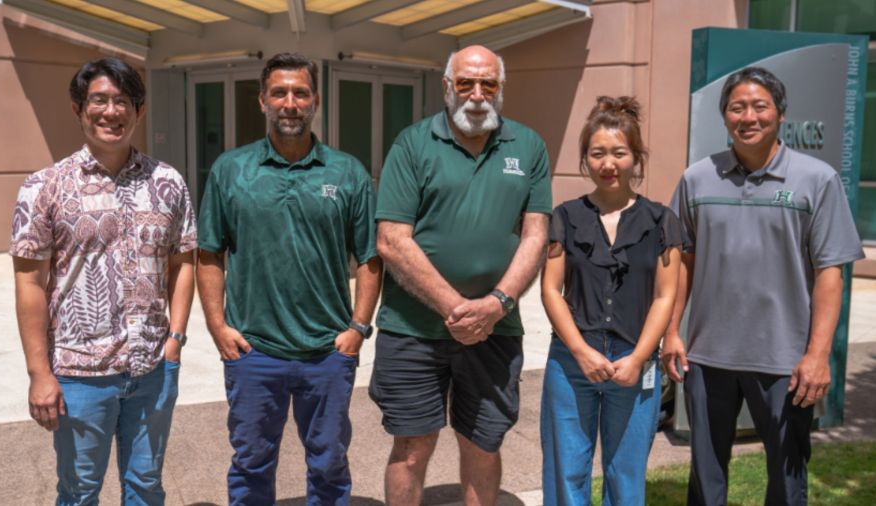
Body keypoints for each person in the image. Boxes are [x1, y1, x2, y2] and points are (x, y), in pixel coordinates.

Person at [664, 66, 864, 505]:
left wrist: (818, 355)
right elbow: (682, 262)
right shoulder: (697, 179)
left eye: (759, 106)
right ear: (724, 116)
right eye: (737, 108)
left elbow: (830, 273)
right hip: (706, 356)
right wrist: (672, 331)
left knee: (788, 479)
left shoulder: (817, 180)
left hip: (785, 361)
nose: (748, 117)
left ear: (780, 113)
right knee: (706, 477)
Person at [196, 52, 382, 505]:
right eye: (279, 93)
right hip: (255, 351)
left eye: (300, 93)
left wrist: (358, 328)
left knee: (329, 463)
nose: (290, 103)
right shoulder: (231, 170)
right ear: (262, 101)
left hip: (327, 352)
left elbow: (370, 258)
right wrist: (218, 326)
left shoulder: (347, 172)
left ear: (315, 100)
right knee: (252, 462)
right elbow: (209, 253)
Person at [369, 44, 552, 505]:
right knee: (412, 447)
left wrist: (496, 305)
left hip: (496, 330)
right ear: (447, 87)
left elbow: (535, 236)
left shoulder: (528, 146)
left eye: (488, 83)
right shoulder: (412, 144)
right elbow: (391, 240)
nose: (477, 94)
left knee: (482, 444)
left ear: (501, 88)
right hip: (413, 329)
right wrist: (458, 309)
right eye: (466, 83)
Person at [10, 57, 196, 505]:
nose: (111, 111)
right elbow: (29, 284)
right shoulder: (44, 187)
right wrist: (39, 373)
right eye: (99, 100)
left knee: (146, 487)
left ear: (139, 111)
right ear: (78, 109)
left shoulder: (167, 182)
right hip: (79, 374)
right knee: (78, 492)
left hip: (151, 369)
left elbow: (183, 261)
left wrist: (174, 340)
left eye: (123, 101)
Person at [539, 96, 681, 505]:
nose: (608, 163)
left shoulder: (661, 221)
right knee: (566, 471)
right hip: (571, 362)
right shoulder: (565, 217)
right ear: (585, 159)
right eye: (597, 153)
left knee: (626, 473)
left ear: (636, 157)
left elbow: (665, 295)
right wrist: (580, 351)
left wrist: (639, 358)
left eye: (619, 153)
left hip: (634, 360)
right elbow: (550, 289)